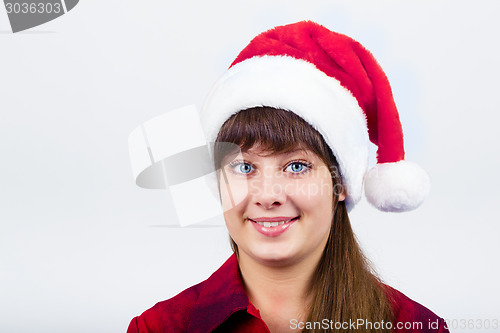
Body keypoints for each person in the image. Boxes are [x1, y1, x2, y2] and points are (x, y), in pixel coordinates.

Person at [127, 21, 449, 333]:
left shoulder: (414, 327)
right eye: (244, 167)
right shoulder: (159, 327)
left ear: (340, 184)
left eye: (296, 166)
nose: (268, 196)